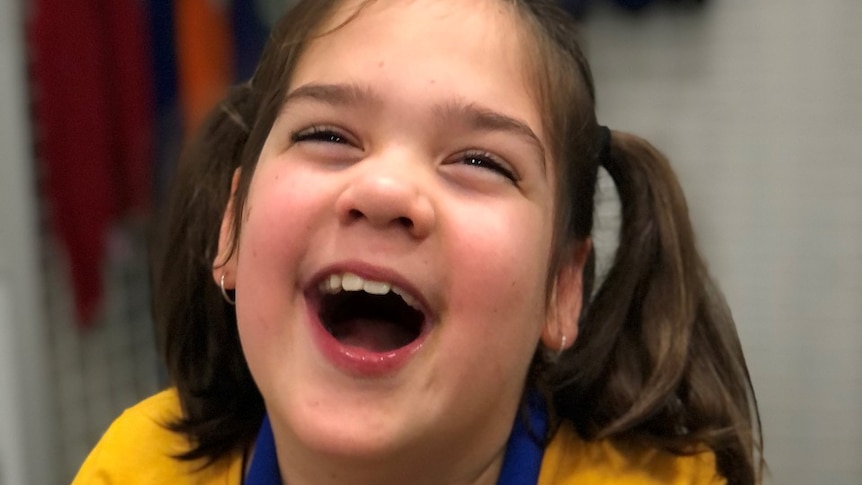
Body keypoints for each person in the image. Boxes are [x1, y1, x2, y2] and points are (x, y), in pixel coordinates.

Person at [73, 0, 763, 483]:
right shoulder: (135, 468)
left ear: (561, 288)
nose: (384, 191)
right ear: (233, 227)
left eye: (479, 161)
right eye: (327, 135)